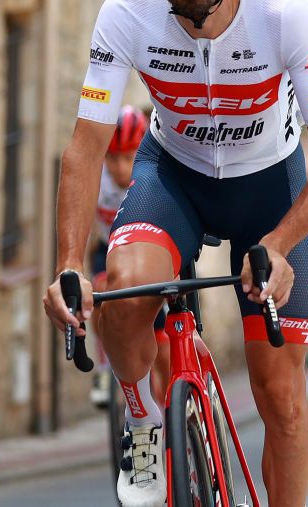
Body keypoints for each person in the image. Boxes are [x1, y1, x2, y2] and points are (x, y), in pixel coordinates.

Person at [43, 0, 308, 507]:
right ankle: (140, 422)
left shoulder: (283, 13)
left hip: (270, 185)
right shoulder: (126, 14)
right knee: (123, 288)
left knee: (280, 397)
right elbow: (85, 147)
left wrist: (280, 241)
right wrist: (69, 264)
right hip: (175, 175)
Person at [88, 106, 169, 408]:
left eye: (128, 157)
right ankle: (104, 364)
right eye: (112, 158)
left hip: (149, 258)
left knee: (164, 355)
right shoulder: (97, 180)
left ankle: (170, 414)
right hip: (108, 252)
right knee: (100, 290)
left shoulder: (155, 173)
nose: (120, 167)